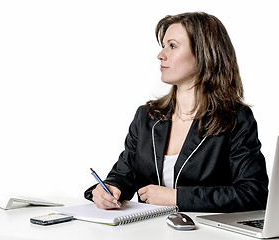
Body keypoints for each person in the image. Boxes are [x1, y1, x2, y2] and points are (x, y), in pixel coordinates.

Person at [84, 12, 269, 212]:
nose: (161, 55)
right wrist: (110, 188)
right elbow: (124, 174)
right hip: (148, 230)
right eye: (163, 46)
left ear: (203, 53)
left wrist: (177, 197)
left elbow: (253, 193)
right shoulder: (146, 116)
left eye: (172, 46)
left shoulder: (235, 119)